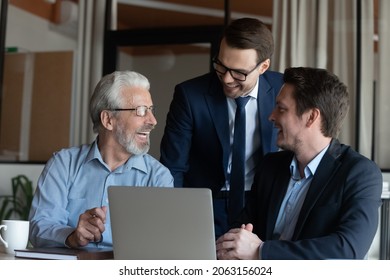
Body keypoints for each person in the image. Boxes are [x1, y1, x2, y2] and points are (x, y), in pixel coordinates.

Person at [216, 67, 383, 260]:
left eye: (281, 109)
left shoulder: (360, 174)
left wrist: (261, 251)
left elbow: (348, 249)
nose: (271, 116)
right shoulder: (270, 166)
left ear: (311, 117)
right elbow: (241, 231)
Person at [160, 18, 283, 238]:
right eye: (221, 66)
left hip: (263, 203)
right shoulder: (190, 96)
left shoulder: (283, 91)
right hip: (204, 204)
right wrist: (172, 219)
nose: (226, 79)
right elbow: (173, 167)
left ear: (263, 67)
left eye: (238, 73)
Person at [29, 71, 174, 248]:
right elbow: (39, 227)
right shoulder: (63, 164)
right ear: (108, 120)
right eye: (141, 111)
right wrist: (72, 236)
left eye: (151, 110)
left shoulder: (158, 177)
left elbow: (162, 245)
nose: (152, 121)